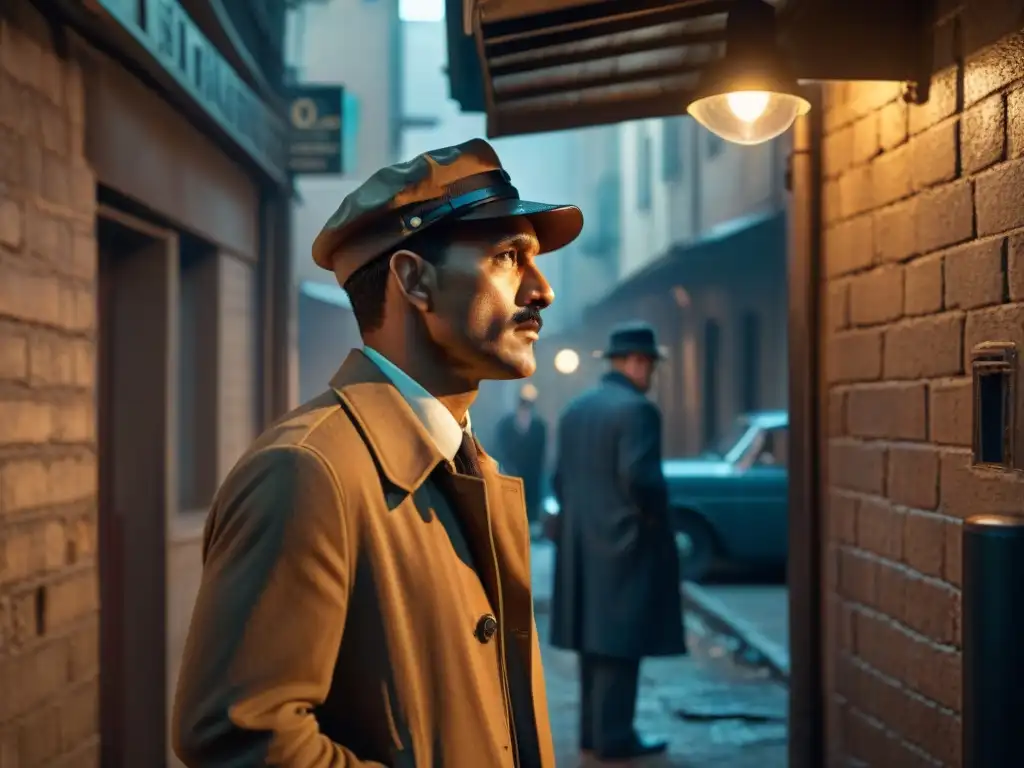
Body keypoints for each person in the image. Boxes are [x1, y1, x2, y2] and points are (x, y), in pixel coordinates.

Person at [172, 139, 584, 768]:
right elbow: (239, 737)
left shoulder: (467, 463)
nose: (543, 290)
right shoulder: (307, 471)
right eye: (508, 257)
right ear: (414, 280)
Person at [549, 322, 686, 761]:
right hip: (626, 545)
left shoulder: (575, 410)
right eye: (650, 366)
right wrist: (654, 520)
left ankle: (594, 733)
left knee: (595, 644)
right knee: (621, 645)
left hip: (582, 547)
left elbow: (558, 479)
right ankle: (615, 738)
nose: (651, 376)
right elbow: (641, 479)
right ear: (637, 362)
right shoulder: (638, 411)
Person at [495, 383, 547, 534]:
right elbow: (501, 449)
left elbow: (540, 456)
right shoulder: (506, 425)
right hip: (510, 475)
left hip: (531, 478)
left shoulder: (538, 426)